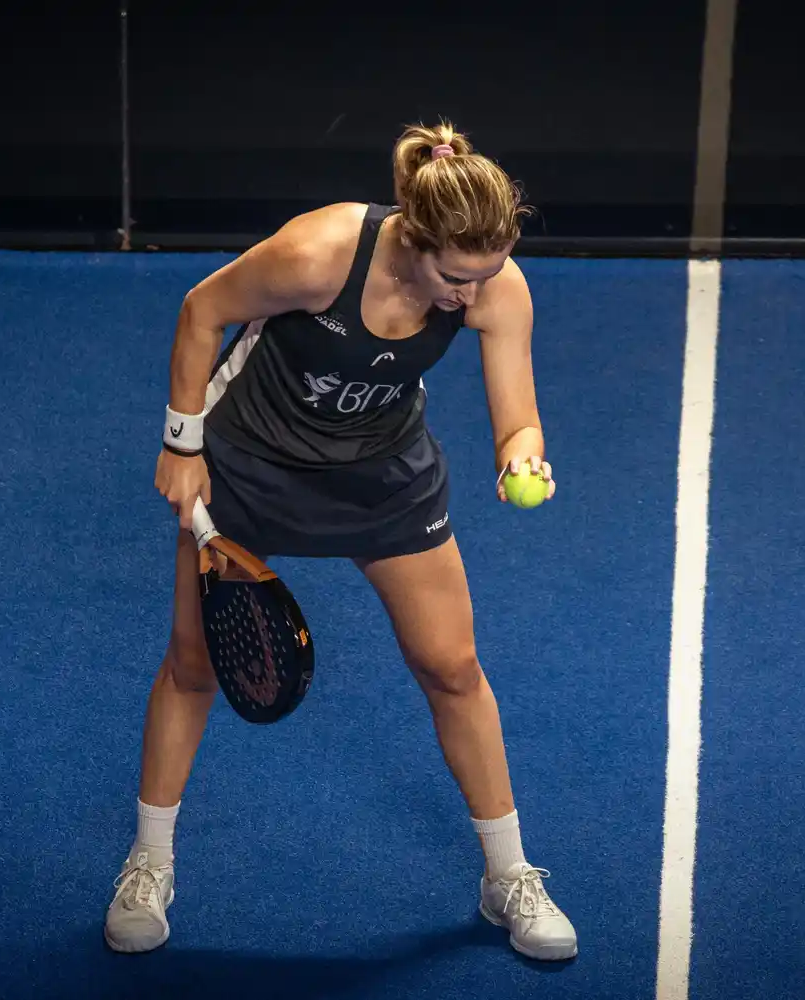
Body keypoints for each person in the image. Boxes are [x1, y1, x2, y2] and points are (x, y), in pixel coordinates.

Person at [103, 121, 577, 962]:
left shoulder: (496, 284)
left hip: (383, 476)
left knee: (452, 666)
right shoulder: (318, 252)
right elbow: (201, 309)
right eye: (455, 279)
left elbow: (518, 411)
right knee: (193, 665)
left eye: (486, 276)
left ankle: (509, 876)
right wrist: (181, 442)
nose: (470, 297)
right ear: (414, 241)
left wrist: (522, 454)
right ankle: (148, 863)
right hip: (252, 466)